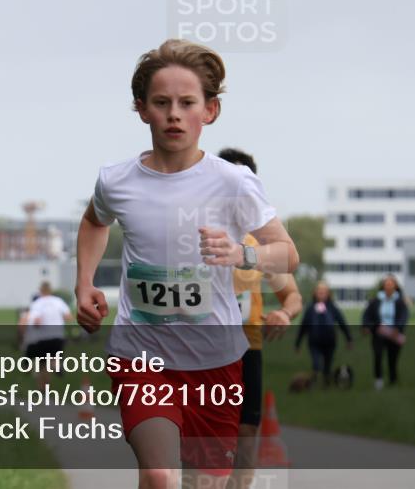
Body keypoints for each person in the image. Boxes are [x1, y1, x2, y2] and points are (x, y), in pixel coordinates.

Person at [74, 40, 300, 489]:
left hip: (216, 362)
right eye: (161, 103)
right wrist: (83, 285)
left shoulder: (233, 182)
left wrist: (242, 253)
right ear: (142, 110)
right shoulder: (116, 181)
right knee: (160, 475)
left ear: (210, 111)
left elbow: (288, 253)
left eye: (187, 103)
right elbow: (94, 222)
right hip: (141, 356)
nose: (174, 114)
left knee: (204, 483)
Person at [218, 148, 302, 489]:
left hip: (247, 348)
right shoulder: (197, 235)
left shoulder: (259, 246)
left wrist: (284, 312)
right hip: (198, 348)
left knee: (246, 430)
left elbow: (293, 295)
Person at [295, 281, 352, 387]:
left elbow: (342, 322)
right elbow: (303, 326)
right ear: (315, 293)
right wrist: (298, 343)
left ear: (328, 294)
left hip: (330, 341)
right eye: (319, 292)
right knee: (316, 363)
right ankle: (314, 381)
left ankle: (326, 382)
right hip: (314, 341)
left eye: (324, 292)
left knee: (327, 364)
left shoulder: (333, 308)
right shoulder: (310, 309)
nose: (321, 294)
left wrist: (348, 339)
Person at [361, 275, 409, 390]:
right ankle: (378, 380)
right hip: (379, 332)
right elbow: (366, 315)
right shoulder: (375, 301)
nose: (388, 286)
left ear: (395, 286)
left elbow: (404, 316)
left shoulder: (400, 301)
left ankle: (393, 380)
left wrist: (397, 328)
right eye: (386, 284)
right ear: (383, 286)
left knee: (392, 359)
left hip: (394, 333)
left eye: (391, 283)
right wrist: (366, 326)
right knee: (378, 356)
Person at [24, 281, 73, 388]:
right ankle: (55, 366)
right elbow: (68, 317)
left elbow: (36, 321)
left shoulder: (37, 303)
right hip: (58, 336)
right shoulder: (58, 301)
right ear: (51, 290)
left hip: (43, 338)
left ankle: (43, 388)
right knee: (54, 357)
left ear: (40, 290)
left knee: (42, 365)